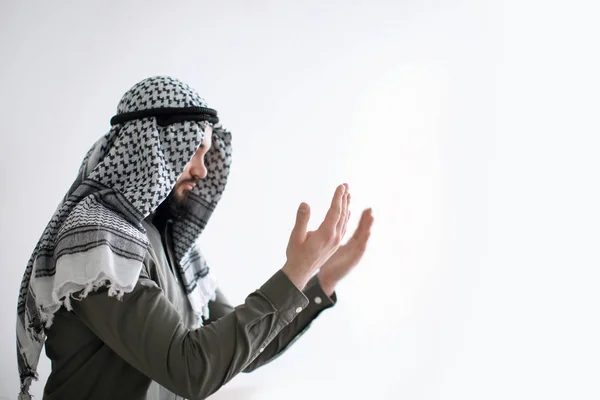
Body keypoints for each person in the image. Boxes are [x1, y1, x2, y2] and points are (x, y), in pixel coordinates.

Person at [16, 76, 374, 400]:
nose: (203, 170)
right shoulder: (97, 239)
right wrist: (295, 271)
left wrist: (320, 279)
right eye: (192, 152)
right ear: (149, 147)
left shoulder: (171, 241)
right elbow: (192, 369)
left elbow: (243, 349)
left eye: (205, 154)